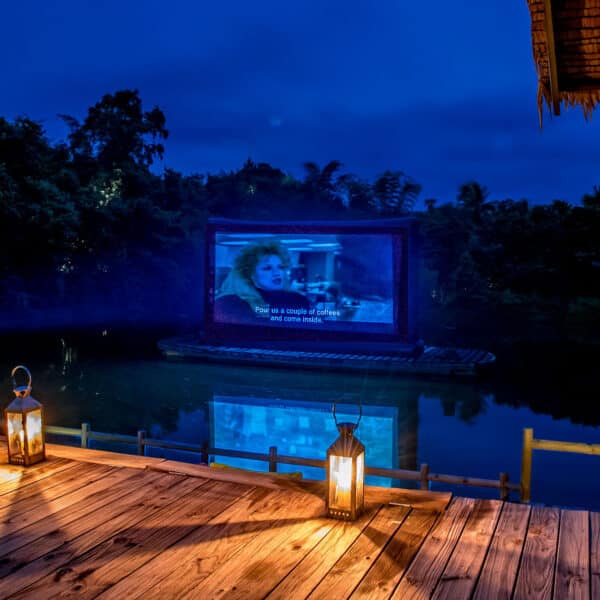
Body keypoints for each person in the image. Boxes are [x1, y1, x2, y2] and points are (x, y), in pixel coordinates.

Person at [214, 241, 311, 324]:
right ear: (250, 273)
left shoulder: (298, 300)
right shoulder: (230, 303)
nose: (277, 273)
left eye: (280, 267)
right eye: (267, 268)